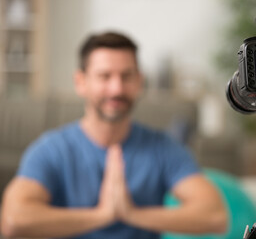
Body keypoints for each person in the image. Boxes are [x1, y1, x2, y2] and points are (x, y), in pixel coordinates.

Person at [1, 32, 228, 238]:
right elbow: (13, 221)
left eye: (126, 76)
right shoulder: (51, 149)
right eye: (104, 76)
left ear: (139, 81)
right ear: (81, 82)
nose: (116, 89)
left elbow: (215, 215)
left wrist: (131, 213)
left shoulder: (163, 147)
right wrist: (102, 214)